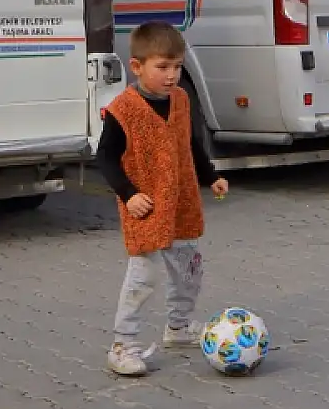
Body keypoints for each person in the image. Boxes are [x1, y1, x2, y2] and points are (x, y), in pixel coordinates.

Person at [95, 21, 229, 377]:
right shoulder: (123, 109)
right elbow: (105, 158)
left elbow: (190, 143)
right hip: (146, 207)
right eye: (163, 67)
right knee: (143, 279)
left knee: (189, 272)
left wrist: (211, 175)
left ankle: (179, 327)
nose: (172, 75)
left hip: (182, 204)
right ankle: (122, 345)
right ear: (137, 67)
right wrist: (128, 194)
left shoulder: (181, 100)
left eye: (178, 66)